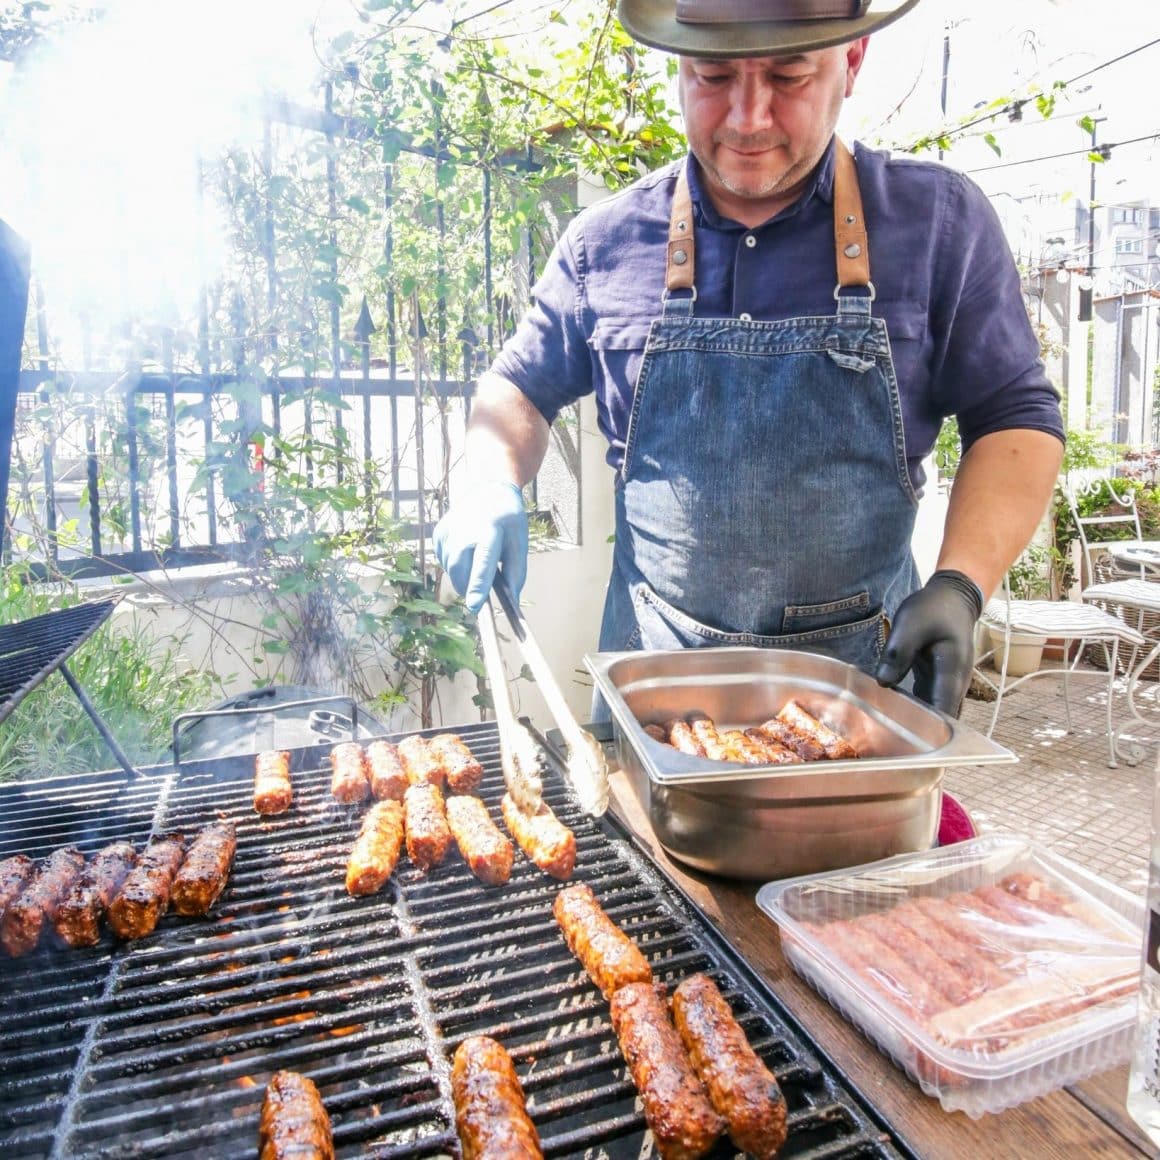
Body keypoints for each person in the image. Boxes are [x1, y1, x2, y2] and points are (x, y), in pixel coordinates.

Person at [434, 0, 1065, 720]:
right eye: (712, 75)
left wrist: (960, 583)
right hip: (653, 697)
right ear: (679, 66)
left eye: (790, 76)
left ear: (851, 62)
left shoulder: (938, 225)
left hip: (861, 703)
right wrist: (487, 479)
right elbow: (516, 387)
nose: (747, 118)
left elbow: (1014, 416)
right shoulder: (603, 245)